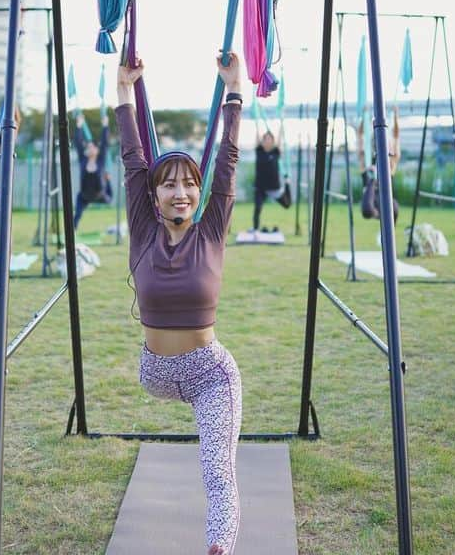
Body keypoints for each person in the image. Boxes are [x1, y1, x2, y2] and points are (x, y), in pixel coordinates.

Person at [117, 53, 243, 555]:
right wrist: (125, 91)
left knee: (217, 469)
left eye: (189, 183)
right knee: (212, 464)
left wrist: (234, 90)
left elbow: (228, 162)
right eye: (169, 183)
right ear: (154, 195)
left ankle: (219, 548)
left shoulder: (211, 231)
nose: (181, 191)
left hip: (210, 374)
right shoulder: (143, 229)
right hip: (155, 373)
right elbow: (132, 158)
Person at [356, 106, 401, 222]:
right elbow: (359, 136)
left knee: (394, 207)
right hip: (370, 203)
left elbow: (396, 136)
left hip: (386, 201)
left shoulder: (390, 162)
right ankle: (377, 215)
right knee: (367, 210)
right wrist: (364, 118)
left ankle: (386, 224)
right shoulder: (365, 161)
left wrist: (395, 116)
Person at [72, 109, 111, 230]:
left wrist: (105, 125)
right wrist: (79, 125)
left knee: (110, 199)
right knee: (77, 214)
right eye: (88, 147)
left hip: (99, 195)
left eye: (91, 146)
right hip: (84, 196)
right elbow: (78, 143)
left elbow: (104, 143)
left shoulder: (100, 161)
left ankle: (108, 183)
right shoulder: (83, 160)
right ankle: (73, 230)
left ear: (96, 150)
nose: (89, 148)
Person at [251, 130, 283, 232]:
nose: (268, 141)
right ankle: (256, 228)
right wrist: (257, 125)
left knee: (287, 204)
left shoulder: (276, 152)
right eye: (266, 138)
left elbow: (279, 140)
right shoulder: (259, 151)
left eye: (270, 139)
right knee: (258, 207)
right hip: (260, 187)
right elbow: (257, 138)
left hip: (274, 187)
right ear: (263, 141)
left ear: (273, 141)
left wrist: (281, 124)